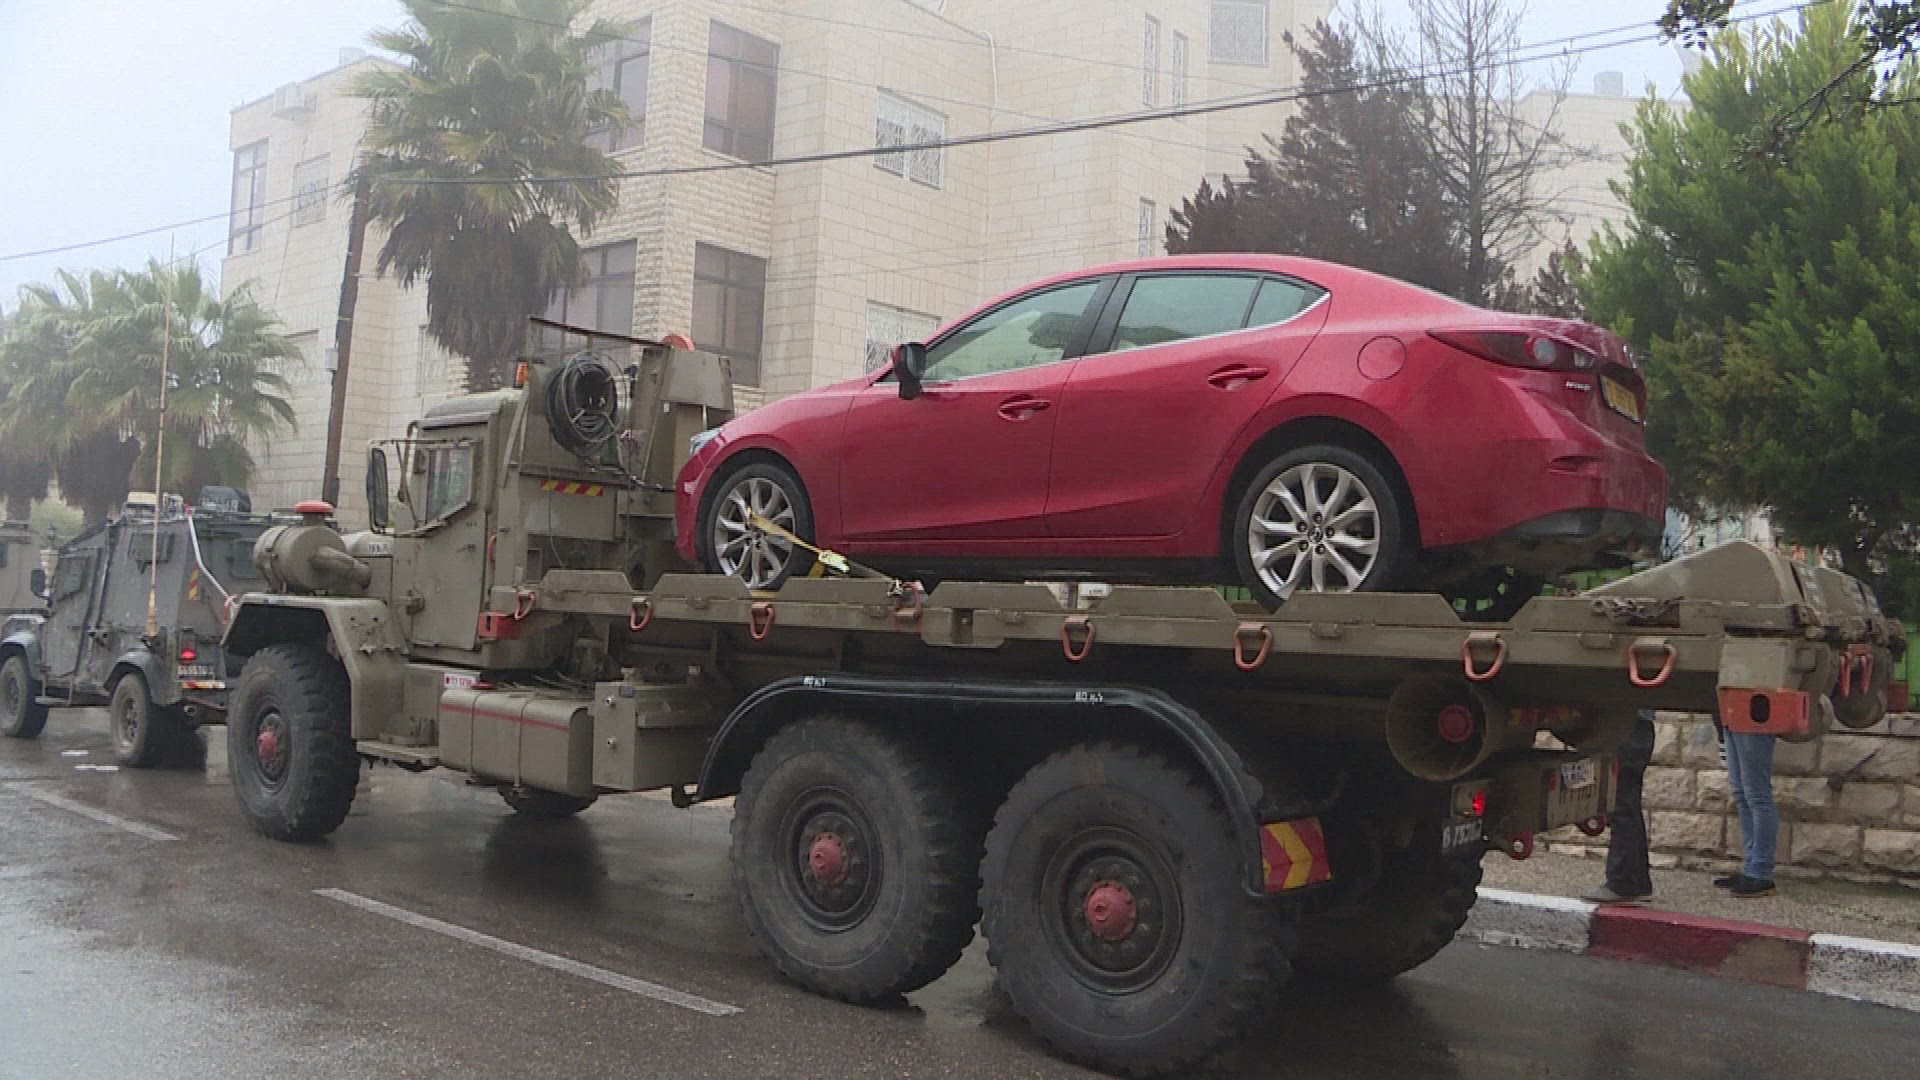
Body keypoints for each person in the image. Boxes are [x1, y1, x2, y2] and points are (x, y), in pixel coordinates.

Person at [1582, 709, 1656, 905]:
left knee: (1620, 805)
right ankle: (1637, 882)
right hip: (1637, 727)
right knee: (1628, 804)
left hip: (1626, 726)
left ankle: (1623, 883)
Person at [1717, 720, 1779, 897]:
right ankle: (1751, 867)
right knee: (1742, 794)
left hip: (1755, 716)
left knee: (1758, 796)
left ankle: (1761, 870)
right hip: (1732, 715)